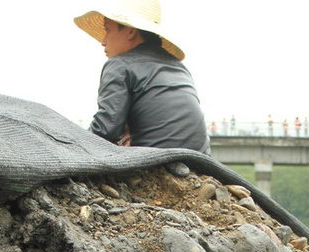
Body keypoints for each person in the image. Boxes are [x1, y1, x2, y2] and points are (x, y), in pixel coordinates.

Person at [74, 1, 210, 154]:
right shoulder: (178, 67)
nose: (103, 41)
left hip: (159, 160)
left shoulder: (119, 64)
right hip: (201, 160)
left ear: (130, 32)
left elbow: (105, 131)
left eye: (107, 30)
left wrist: (72, 147)